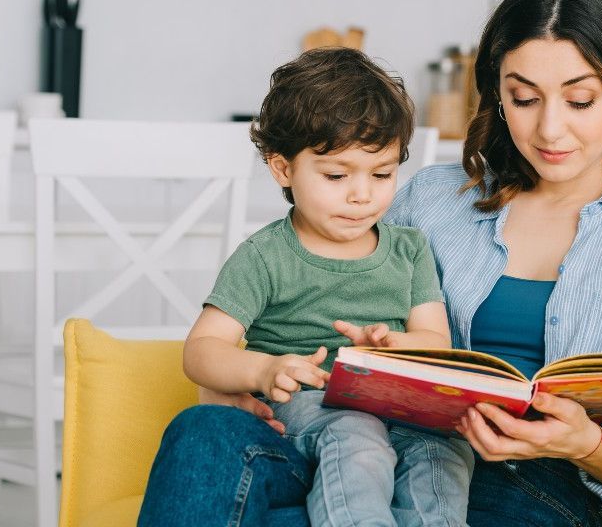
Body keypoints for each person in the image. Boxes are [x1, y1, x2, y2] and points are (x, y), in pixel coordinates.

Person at [139, 0, 602, 527]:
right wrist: (239, 382)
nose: (550, 129)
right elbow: (316, 293)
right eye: (523, 98)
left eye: (580, 101)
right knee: (201, 433)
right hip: (356, 438)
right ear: (496, 96)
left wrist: (586, 442)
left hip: (525, 479)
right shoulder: (431, 198)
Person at [147, 47, 474, 527]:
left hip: (397, 406)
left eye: (382, 174)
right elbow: (201, 350)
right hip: (310, 402)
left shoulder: (409, 250)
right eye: (337, 175)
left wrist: (395, 344)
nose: (362, 194)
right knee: (355, 435)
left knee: (441, 454)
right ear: (283, 169)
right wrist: (263, 370)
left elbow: (435, 342)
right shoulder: (265, 255)